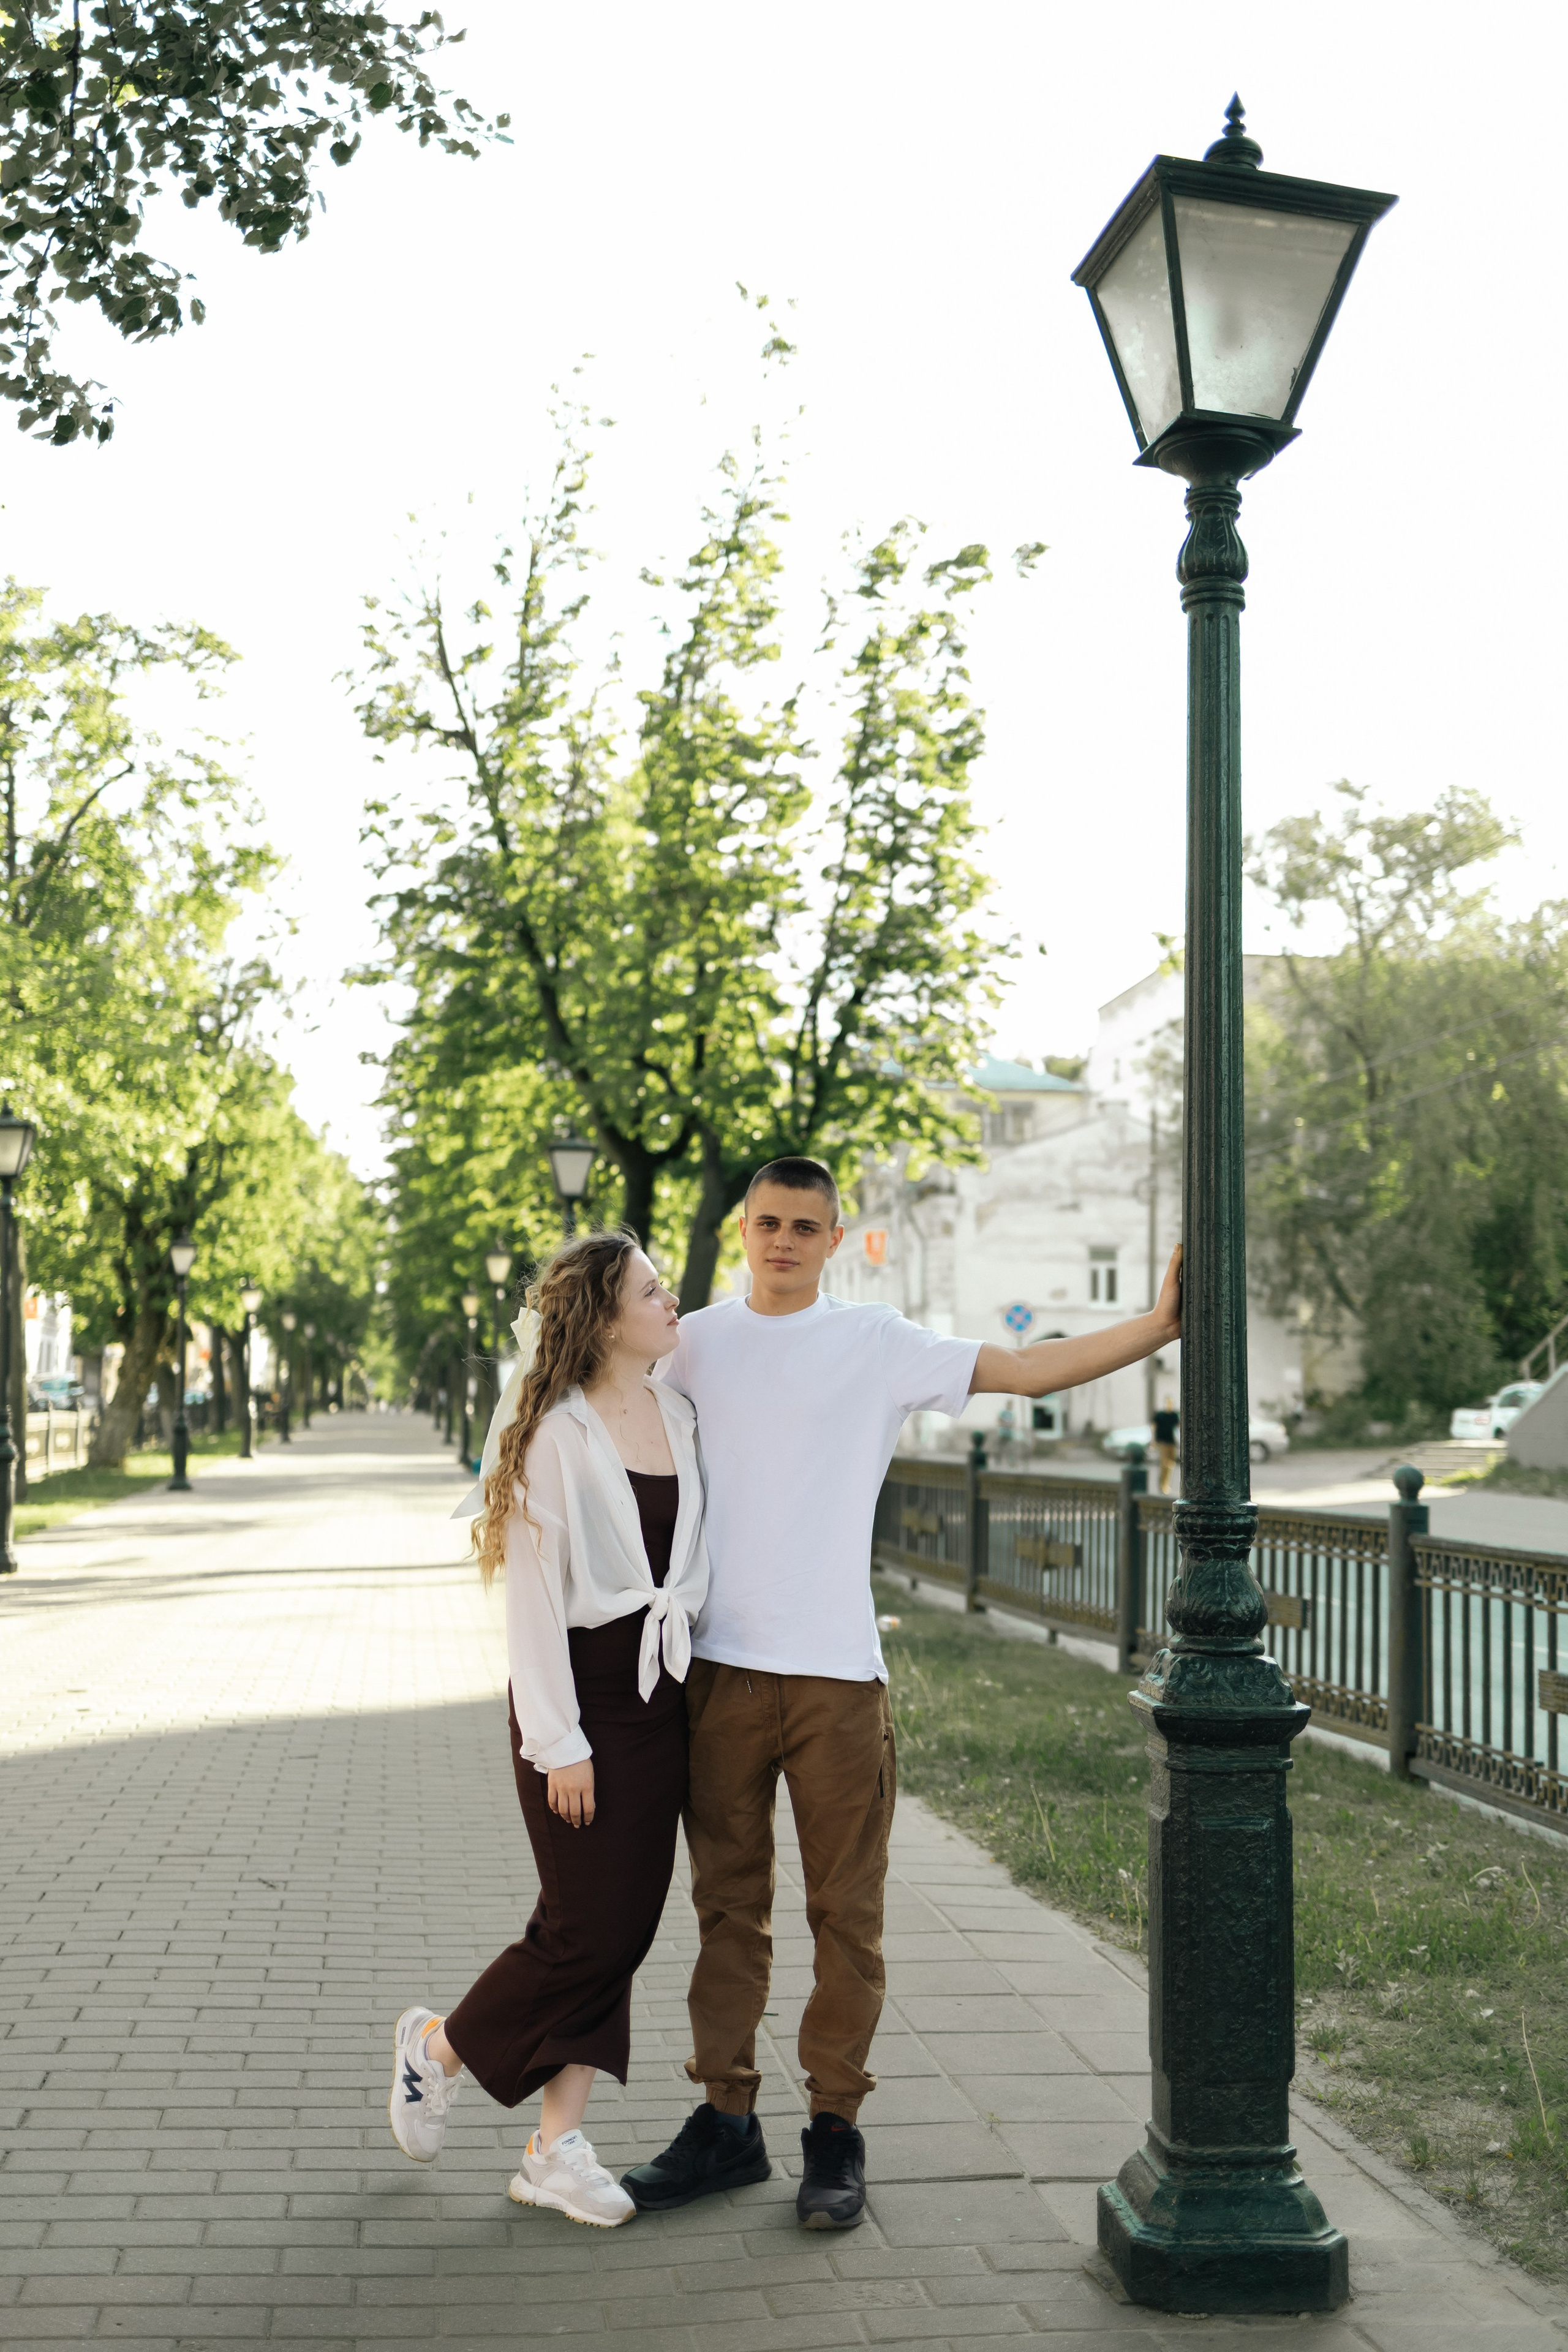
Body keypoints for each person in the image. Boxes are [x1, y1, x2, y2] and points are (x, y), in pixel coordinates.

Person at [620, 1156, 1182, 2230]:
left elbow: (1021, 1367)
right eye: (768, 1222)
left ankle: (835, 2130)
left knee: (848, 1919)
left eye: (804, 1226)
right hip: (720, 1674)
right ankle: (725, 2124)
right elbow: (593, 1397)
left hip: (838, 1680)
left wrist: (1154, 1329)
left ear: (837, 1239)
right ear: (743, 1229)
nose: (782, 1240)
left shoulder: (877, 1344)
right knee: (727, 1910)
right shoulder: (689, 1345)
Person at [386, 1231, 709, 2229]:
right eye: (653, 1292)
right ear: (607, 1319)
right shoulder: (556, 1436)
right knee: (583, 1930)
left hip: (664, 1700)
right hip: (580, 1703)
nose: (672, 1304)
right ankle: (434, 2052)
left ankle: (553, 2148)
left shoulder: (679, 1411)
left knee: (622, 1931)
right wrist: (558, 1740)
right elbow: (532, 1604)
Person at [1152, 1396, 1180, 1494]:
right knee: (1164, 1464)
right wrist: (1154, 1441)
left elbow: (1179, 1427)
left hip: (1172, 1442)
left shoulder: (1174, 1415)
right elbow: (1154, 1427)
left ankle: (1166, 1484)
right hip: (1162, 1442)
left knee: (1171, 1464)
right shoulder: (1160, 1415)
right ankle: (1163, 1485)